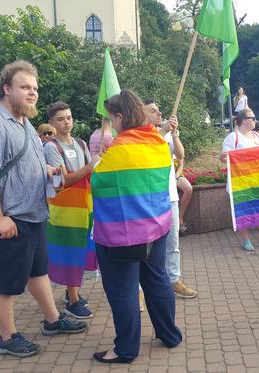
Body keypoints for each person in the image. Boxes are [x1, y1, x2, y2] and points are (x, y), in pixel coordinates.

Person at [0, 61, 87, 358]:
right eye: (25, 87)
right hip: (10, 219)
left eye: (34, 88)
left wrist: (48, 171)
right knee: (5, 281)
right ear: (6, 89)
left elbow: (26, 163)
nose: (32, 93)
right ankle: (7, 338)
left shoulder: (24, 123)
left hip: (32, 214)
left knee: (38, 272)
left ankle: (52, 321)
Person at [92, 89, 182, 364]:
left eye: (112, 118)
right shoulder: (156, 141)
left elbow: (99, 182)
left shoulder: (121, 147)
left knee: (123, 290)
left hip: (123, 235)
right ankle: (169, 335)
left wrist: (97, 162)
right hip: (157, 227)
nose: (112, 123)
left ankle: (126, 350)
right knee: (158, 281)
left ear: (119, 117)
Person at [43, 101, 97, 319]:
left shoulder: (81, 144)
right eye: (61, 119)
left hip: (83, 206)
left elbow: (85, 175)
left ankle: (71, 292)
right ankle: (73, 301)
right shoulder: (50, 147)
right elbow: (61, 180)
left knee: (80, 248)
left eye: (69, 117)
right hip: (64, 209)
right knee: (70, 250)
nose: (67, 122)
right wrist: (89, 167)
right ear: (51, 123)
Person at [144, 99, 198, 299]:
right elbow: (146, 147)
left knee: (172, 241)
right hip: (149, 197)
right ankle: (140, 289)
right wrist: (165, 130)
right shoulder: (143, 134)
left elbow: (181, 154)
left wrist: (174, 135)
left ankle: (174, 280)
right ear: (143, 115)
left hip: (170, 196)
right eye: (153, 111)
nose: (159, 113)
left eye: (159, 110)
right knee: (146, 244)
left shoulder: (166, 134)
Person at [220, 109, 259, 251]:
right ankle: (246, 240)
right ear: (244, 120)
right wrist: (225, 156)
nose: (255, 120)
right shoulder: (233, 137)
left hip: (258, 179)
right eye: (252, 117)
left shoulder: (257, 135)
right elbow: (223, 157)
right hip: (241, 181)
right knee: (244, 209)